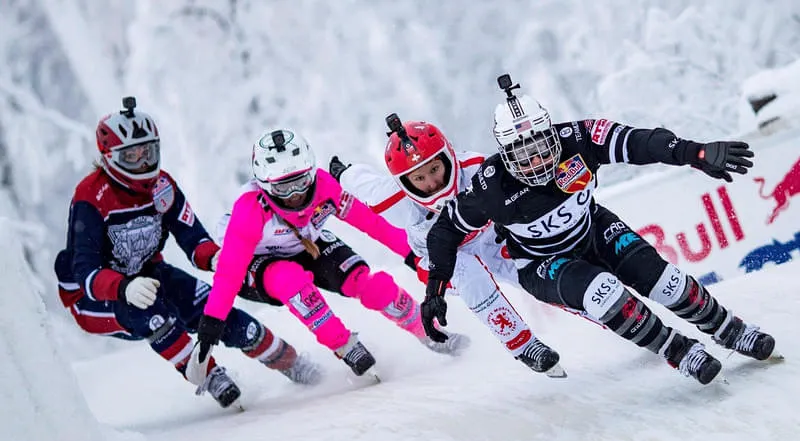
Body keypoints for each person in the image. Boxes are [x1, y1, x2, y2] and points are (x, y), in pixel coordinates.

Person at [422, 74, 777, 385]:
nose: (537, 162)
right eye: (523, 155)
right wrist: (435, 289)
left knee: (667, 282)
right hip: (541, 264)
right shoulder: (491, 185)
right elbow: (443, 233)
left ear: (553, 135)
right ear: (505, 155)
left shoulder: (580, 137)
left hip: (594, 230)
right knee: (603, 293)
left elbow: (641, 141)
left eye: (543, 147)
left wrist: (694, 153)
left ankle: (731, 329)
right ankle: (676, 350)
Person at [55, 97, 320, 409]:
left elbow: (193, 238)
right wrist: (122, 287)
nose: (143, 164)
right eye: (131, 156)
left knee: (215, 309)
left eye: (149, 152)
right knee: (153, 314)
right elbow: (83, 270)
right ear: (110, 157)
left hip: (149, 274)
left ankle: (292, 363)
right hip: (95, 297)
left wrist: (216, 257)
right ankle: (211, 377)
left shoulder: (162, 186)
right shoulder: (90, 197)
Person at [189, 128, 468, 379]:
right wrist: (209, 330)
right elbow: (229, 274)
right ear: (264, 186)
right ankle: (343, 344)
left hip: (305, 242)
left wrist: (416, 257)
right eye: (283, 188)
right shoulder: (249, 210)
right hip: (254, 263)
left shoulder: (324, 186)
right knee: (291, 280)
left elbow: (374, 223)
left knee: (368, 283)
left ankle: (428, 331)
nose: (295, 195)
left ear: (312, 171)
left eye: (301, 181)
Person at [329, 113, 563, 376]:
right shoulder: (390, 200)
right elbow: (363, 184)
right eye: (418, 179)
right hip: (439, 261)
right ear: (403, 184)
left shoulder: (476, 167)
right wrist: (342, 172)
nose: (431, 183)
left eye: (434, 169)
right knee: (470, 274)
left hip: (488, 240)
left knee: (534, 274)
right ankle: (524, 346)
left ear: (449, 158)